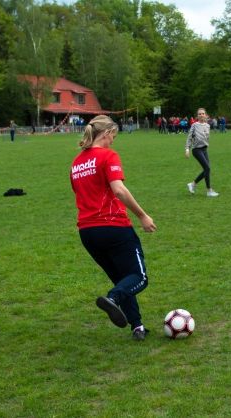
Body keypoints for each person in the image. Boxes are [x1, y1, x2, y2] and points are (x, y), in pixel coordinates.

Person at [70, 115, 157, 341]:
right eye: (113, 137)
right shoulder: (108, 155)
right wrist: (142, 215)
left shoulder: (77, 162)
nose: (113, 142)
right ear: (106, 133)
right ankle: (114, 298)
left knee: (122, 279)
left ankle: (137, 326)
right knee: (139, 277)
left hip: (87, 232)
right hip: (113, 227)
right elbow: (118, 190)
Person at [185, 108, 219, 197]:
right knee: (207, 168)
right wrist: (187, 149)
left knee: (207, 169)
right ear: (197, 116)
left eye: (203, 113)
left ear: (205, 115)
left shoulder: (208, 126)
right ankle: (208, 190)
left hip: (204, 150)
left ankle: (193, 184)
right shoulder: (194, 125)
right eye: (199, 114)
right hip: (196, 150)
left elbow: (206, 137)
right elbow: (189, 137)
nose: (201, 115)